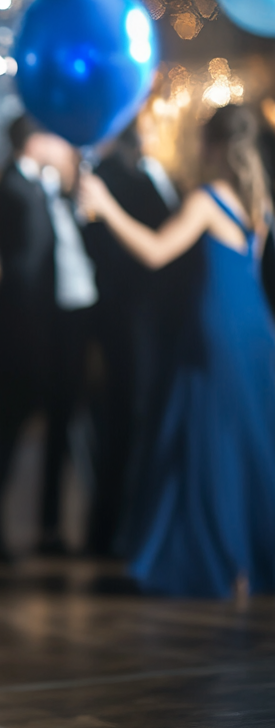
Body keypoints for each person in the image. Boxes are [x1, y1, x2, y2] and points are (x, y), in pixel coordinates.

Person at [79, 105, 275, 598]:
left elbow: (155, 252)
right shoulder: (261, 203)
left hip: (216, 328)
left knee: (207, 437)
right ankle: (246, 558)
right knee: (248, 439)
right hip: (255, 329)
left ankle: (221, 560)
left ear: (210, 146)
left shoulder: (209, 199)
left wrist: (105, 207)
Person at [0, 116, 98, 561]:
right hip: (23, 331)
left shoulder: (38, 186)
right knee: (10, 428)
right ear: (36, 140)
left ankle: (43, 529)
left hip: (45, 329)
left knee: (48, 427)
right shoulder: (14, 190)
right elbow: (25, 273)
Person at [83, 123, 181, 556]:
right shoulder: (108, 178)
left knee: (145, 421)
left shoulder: (161, 176)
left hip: (158, 324)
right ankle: (116, 533)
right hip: (129, 321)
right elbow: (108, 252)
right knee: (128, 424)